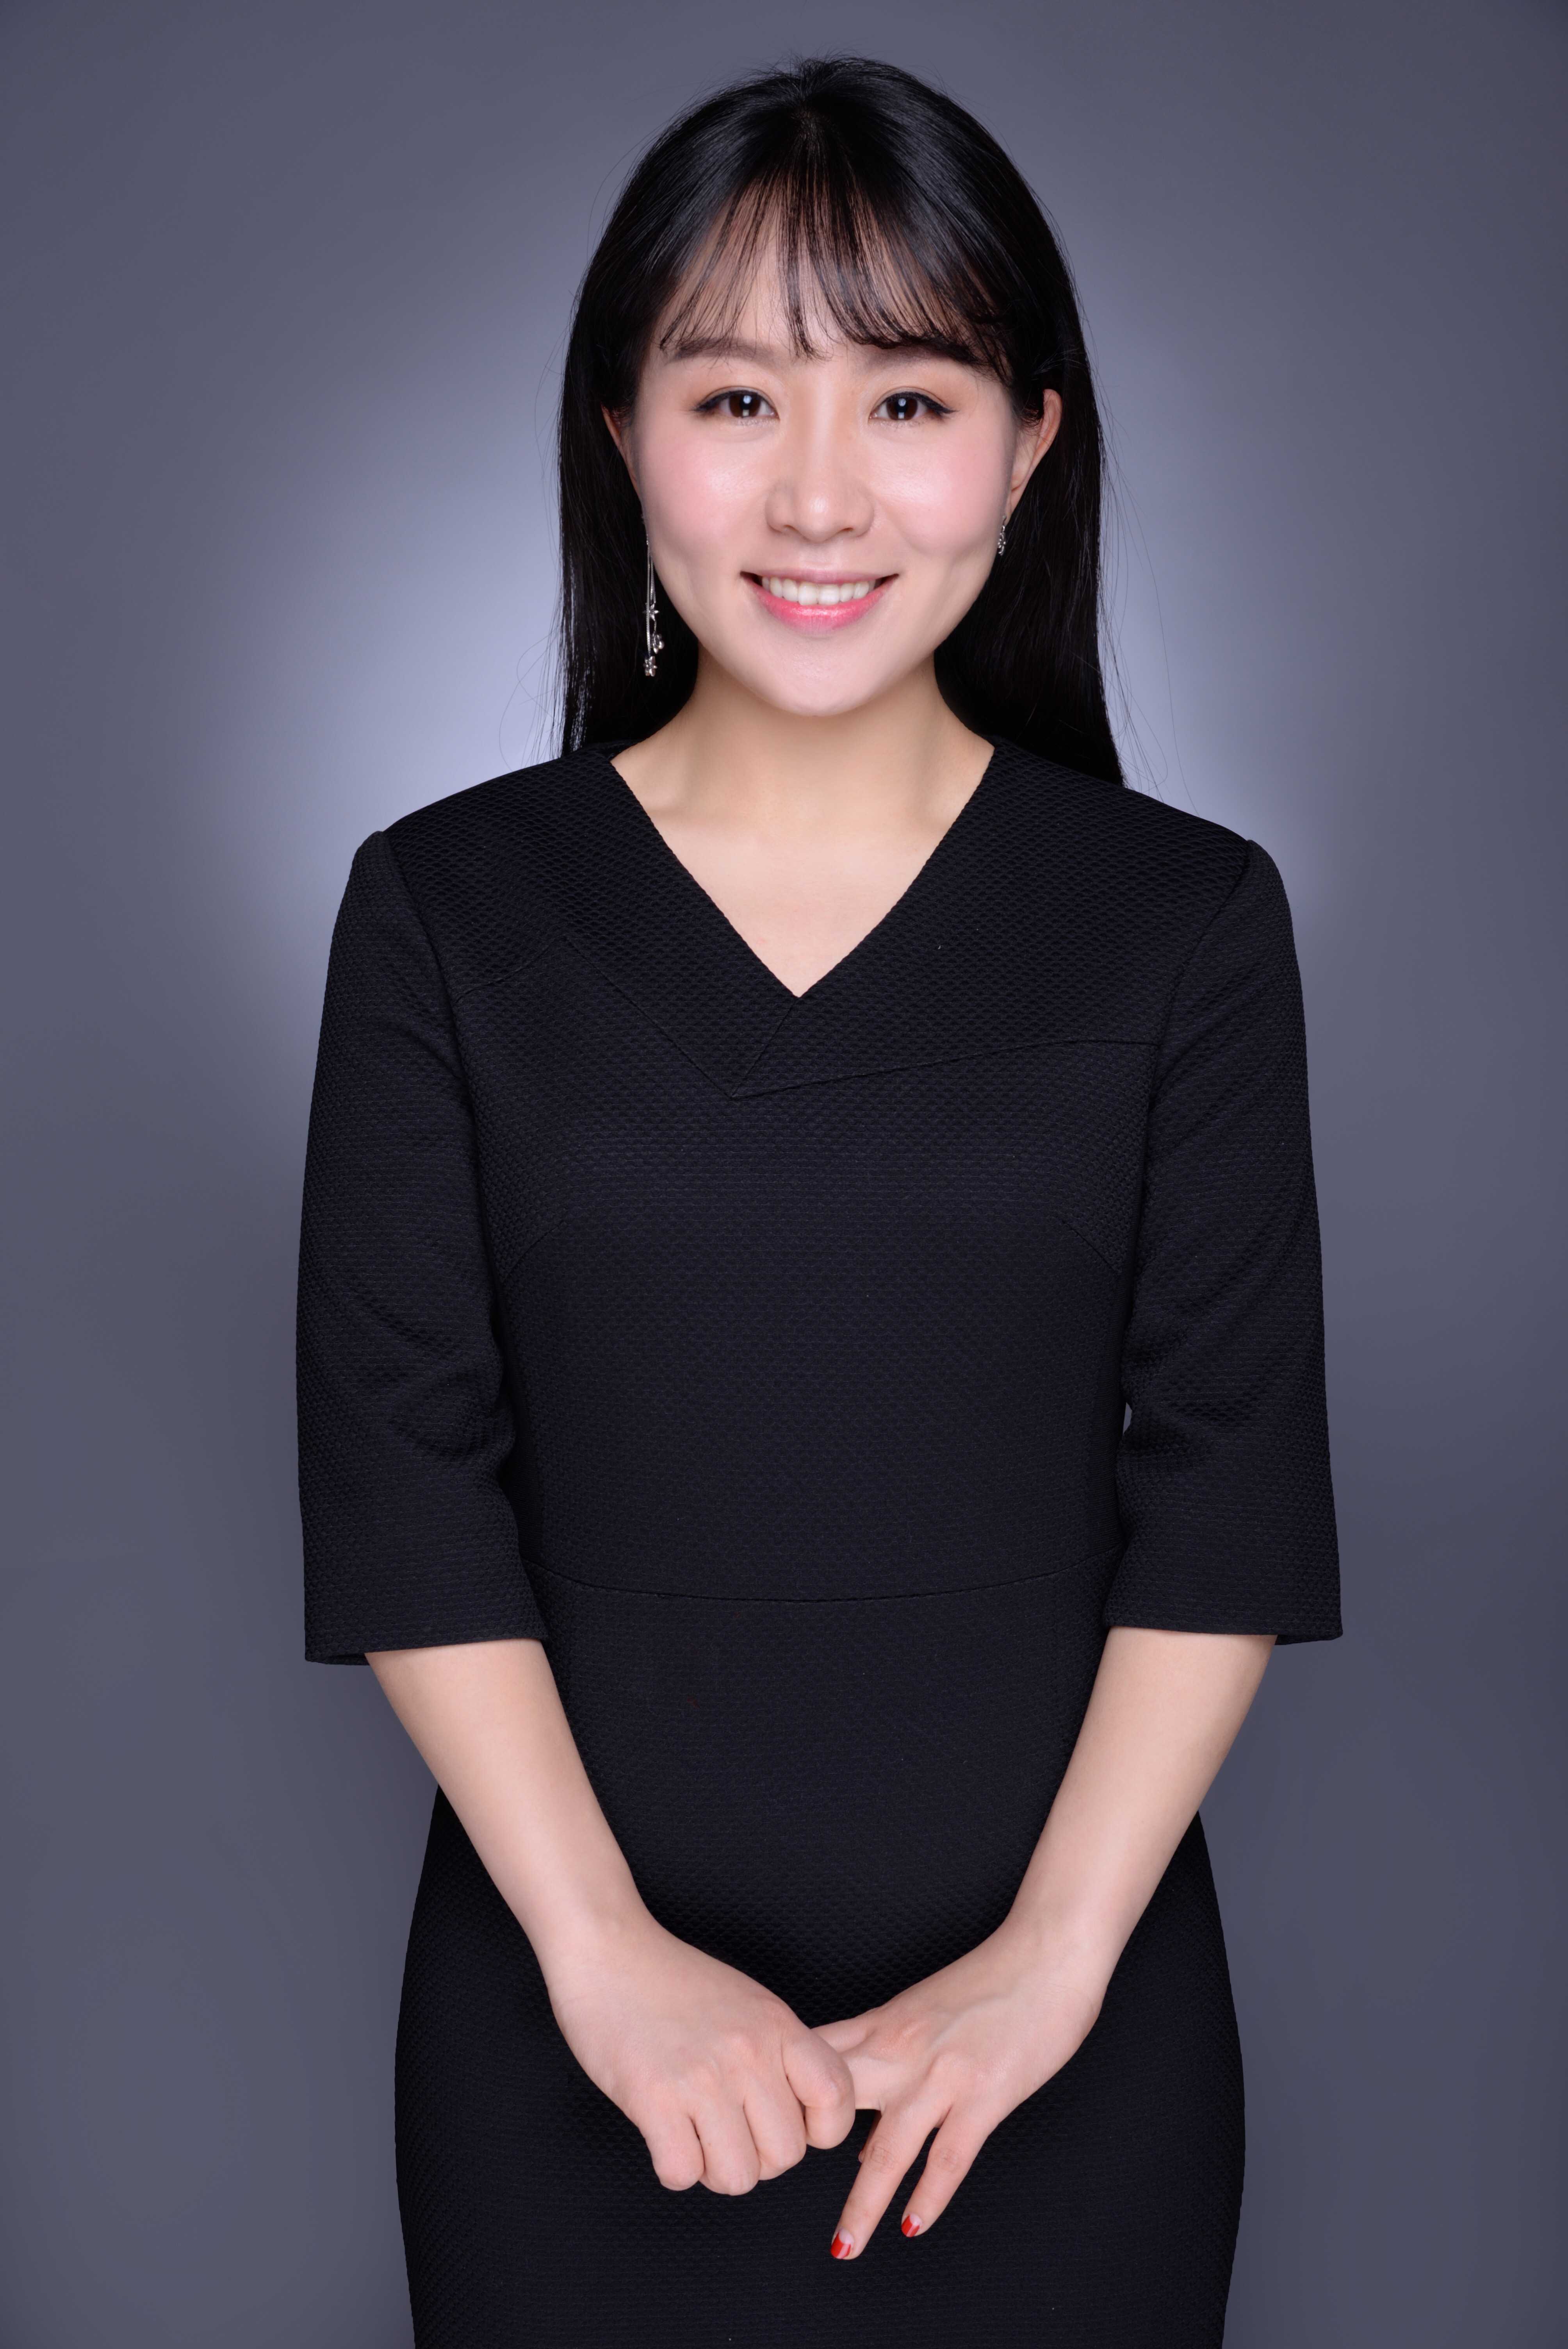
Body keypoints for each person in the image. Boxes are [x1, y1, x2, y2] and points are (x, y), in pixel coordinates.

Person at [296, 53, 1341, 2348]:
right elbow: (403, 1480)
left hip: (1065, 2035)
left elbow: (1231, 1493)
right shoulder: (449, 909)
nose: (820, 492)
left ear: (1032, 444)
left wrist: (1048, 1967)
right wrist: (606, 1958)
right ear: (622, 432)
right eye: (739, 397)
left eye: (910, 400)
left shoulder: (1182, 923)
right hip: (568, 2026)